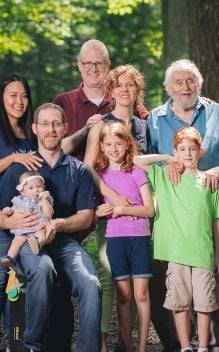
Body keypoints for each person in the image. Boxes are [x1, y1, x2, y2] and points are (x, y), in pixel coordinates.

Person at [146, 59, 219, 352]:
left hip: (212, 203)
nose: (185, 87)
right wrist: (166, 163)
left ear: (199, 85)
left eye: (191, 81)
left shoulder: (217, 112)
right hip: (173, 210)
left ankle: (215, 343)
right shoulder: (155, 118)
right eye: (178, 82)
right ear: (168, 88)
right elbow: (144, 159)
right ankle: (177, 344)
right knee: (173, 277)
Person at [0, 103, 101, 352]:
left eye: (56, 124)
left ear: (65, 128)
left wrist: (58, 224)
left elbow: (86, 217)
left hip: (64, 242)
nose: (51, 129)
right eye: (45, 124)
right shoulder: (21, 168)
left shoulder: (79, 170)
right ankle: (32, 345)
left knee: (91, 284)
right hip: (30, 240)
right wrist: (10, 221)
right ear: (35, 129)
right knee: (43, 269)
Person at [134, 127, 219, 352]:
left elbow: (217, 221)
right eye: (182, 149)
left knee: (204, 302)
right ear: (176, 151)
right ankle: (185, 346)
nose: (187, 153)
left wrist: (216, 255)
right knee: (180, 301)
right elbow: (137, 160)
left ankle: (203, 346)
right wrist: (167, 159)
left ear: (200, 151)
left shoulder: (209, 182)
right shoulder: (165, 177)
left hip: (203, 252)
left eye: (192, 149)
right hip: (176, 253)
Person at [0, 73, 41, 352]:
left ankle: (16, 339)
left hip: (24, 219)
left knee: (19, 277)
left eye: (24, 95)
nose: (19, 101)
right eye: (13, 95)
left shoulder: (31, 134)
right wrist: (13, 158)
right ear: (2, 99)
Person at [83, 64, 149, 350]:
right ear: (111, 90)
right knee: (111, 278)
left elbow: (141, 165)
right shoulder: (100, 123)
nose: (125, 89)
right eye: (119, 85)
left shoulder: (145, 124)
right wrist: (113, 197)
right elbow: (89, 167)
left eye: (130, 85)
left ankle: (128, 342)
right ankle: (101, 339)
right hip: (108, 212)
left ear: (137, 91)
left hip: (139, 215)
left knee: (136, 284)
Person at [93, 121, 154, 352]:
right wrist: (103, 211)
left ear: (128, 144)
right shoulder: (100, 176)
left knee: (141, 294)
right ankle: (127, 344)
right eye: (108, 144)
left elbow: (149, 209)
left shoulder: (137, 172)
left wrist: (123, 209)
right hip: (115, 239)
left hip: (139, 238)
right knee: (124, 295)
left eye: (118, 144)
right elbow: (97, 210)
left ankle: (142, 347)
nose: (113, 149)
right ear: (101, 146)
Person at [0, 171, 54, 268]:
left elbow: (49, 214)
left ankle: (37, 243)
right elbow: (13, 210)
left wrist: (45, 200)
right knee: (17, 240)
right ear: (23, 192)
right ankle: (10, 258)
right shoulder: (18, 200)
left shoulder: (45, 200)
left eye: (39, 186)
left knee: (42, 234)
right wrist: (8, 210)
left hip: (39, 227)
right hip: (24, 230)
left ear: (44, 188)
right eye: (31, 188)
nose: (36, 190)